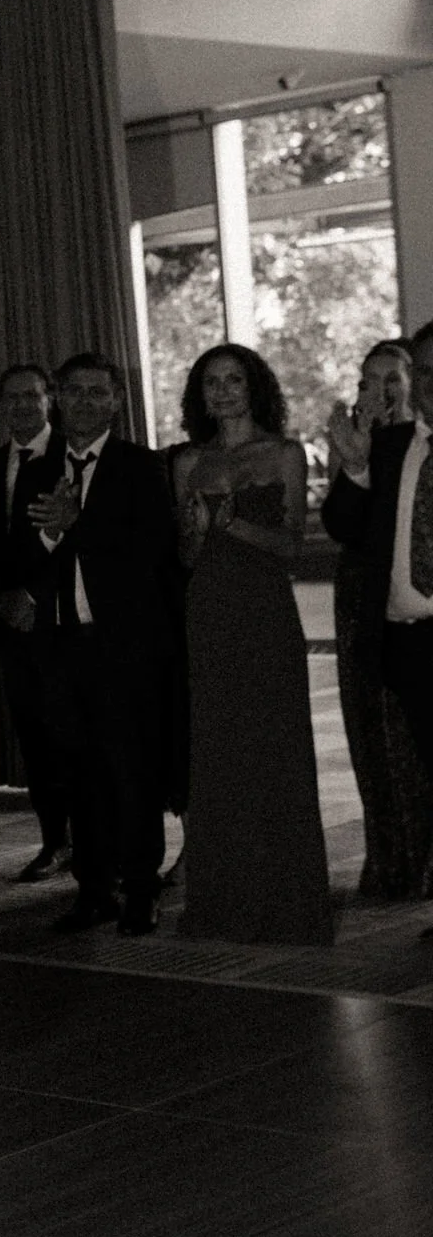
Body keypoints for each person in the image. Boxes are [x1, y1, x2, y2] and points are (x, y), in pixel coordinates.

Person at [171, 345, 332, 946]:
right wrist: (193, 533)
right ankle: (225, 901)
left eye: (234, 380)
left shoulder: (284, 453)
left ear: (254, 387)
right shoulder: (187, 461)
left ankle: (287, 903)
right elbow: (186, 557)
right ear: (200, 394)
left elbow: (293, 546)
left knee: (276, 750)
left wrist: (232, 523)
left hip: (265, 613)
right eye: (211, 383)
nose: (223, 392)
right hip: (209, 614)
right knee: (220, 755)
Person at [28, 353, 183, 937]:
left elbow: (152, 555)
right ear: (58, 399)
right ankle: (93, 890)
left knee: (131, 772)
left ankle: (141, 889)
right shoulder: (41, 469)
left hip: (125, 648)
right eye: (73, 391)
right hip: (61, 645)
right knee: (77, 774)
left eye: (97, 392)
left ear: (117, 401)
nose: (84, 402)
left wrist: (77, 524)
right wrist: (48, 533)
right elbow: (26, 556)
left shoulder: (142, 468)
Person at [322, 319, 433, 933]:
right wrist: (356, 468)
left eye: (399, 376)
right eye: (427, 372)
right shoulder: (383, 447)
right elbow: (345, 524)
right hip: (394, 626)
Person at [0, 363, 71, 881]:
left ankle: (100, 846)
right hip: (11, 629)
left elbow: (77, 543)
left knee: (77, 737)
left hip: (68, 624)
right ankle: (55, 842)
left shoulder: (72, 457)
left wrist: (33, 595)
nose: (22, 407)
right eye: (11, 399)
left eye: (32, 396)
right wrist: (3, 598)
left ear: (50, 400)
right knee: (35, 738)